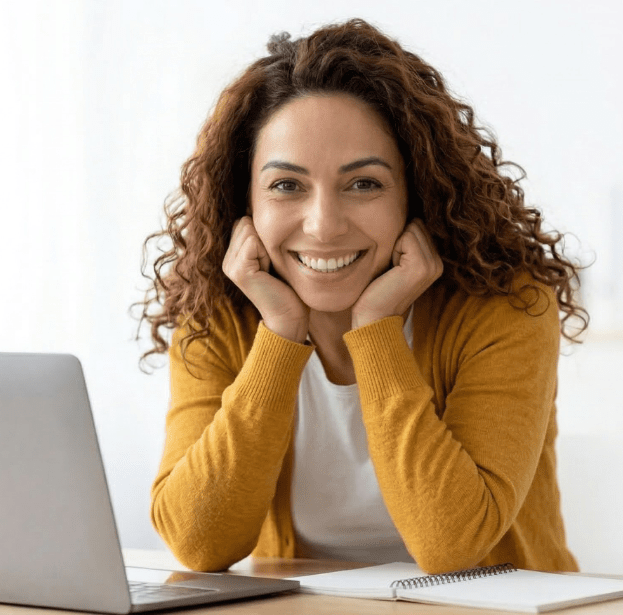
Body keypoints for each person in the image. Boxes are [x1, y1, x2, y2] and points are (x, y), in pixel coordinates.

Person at [137, 18, 587, 575]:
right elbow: (198, 543)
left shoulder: (505, 307)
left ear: (416, 192)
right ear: (245, 202)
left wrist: (375, 328)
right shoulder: (221, 316)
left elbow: (452, 545)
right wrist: (278, 333)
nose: (323, 226)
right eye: (286, 185)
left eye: (364, 184)